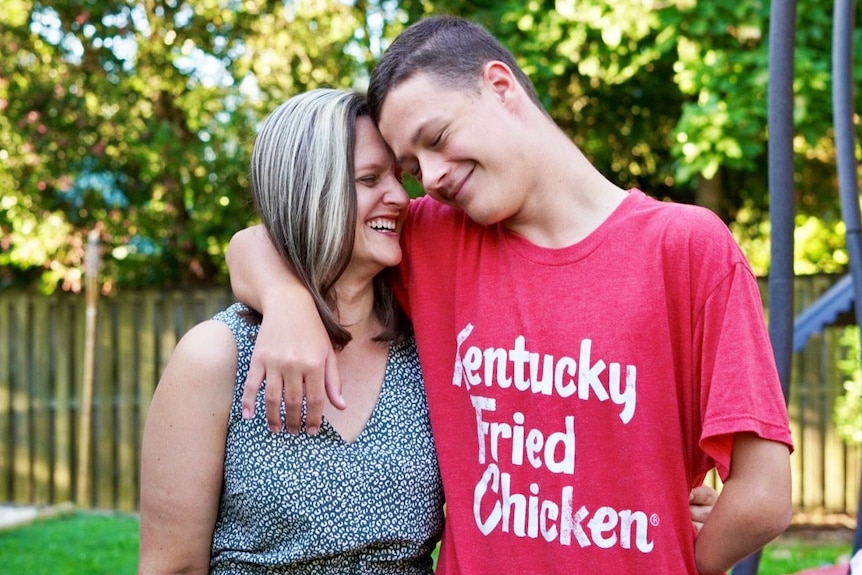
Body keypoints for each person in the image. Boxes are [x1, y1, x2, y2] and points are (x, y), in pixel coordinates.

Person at [227, 16, 792, 575]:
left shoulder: (686, 248)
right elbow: (259, 240)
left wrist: (666, 551)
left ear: (500, 87)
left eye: (438, 140)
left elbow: (763, 496)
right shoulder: (433, 238)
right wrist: (287, 302)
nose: (431, 178)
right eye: (412, 166)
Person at [138, 89, 444, 574]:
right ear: (308, 194)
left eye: (397, 178)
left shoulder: (426, 343)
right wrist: (287, 299)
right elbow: (172, 567)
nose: (401, 198)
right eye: (369, 179)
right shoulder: (216, 356)